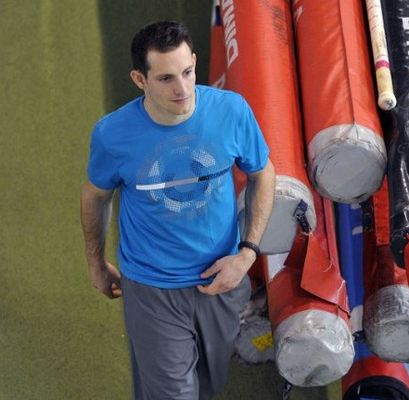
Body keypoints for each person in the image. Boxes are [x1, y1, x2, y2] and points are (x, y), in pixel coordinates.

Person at [80, 21, 275, 400]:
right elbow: (95, 196)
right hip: (153, 286)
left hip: (221, 279)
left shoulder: (231, 111)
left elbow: (263, 173)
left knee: (207, 385)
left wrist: (247, 253)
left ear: (195, 62)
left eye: (187, 72)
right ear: (140, 79)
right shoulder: (113, 134)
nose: (182, 89)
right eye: (166, 78)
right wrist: (94, 260)